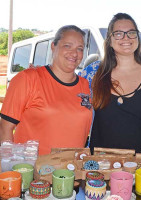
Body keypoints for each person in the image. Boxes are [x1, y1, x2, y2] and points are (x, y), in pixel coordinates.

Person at [79, 13, 141, 153]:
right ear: (110, 39)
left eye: (131, 33)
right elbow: (66, 92)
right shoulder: (92, 73)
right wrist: (37, 71)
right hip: (100, 164)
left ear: (137, 37)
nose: (126, 38)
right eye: (119, 33)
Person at [0, 25, 93, 155]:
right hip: (34, 171)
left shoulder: (85, 85)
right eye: (67, 46)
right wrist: (10, 170)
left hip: (72, 171)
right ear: (53, 46)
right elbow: (5, 128)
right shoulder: (28, 79)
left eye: (80, 48)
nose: (74, 53)